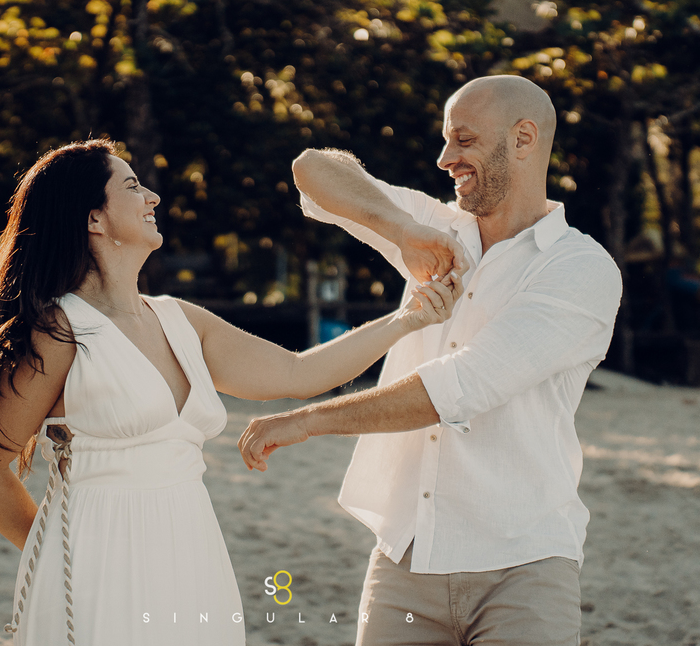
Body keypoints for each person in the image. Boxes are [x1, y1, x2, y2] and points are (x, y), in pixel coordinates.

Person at [0, 139, 462, 646]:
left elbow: (298, 373)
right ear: (94, 219)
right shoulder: (58, 331)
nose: (152, 195)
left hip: (191, 552)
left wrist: (408, 320)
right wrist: (49, 554)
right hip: (98, 563)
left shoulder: (179, 320)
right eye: (131, 186)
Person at [238, 75, 623, 646]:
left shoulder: (580, 269)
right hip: (405, 561)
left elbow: (460, 386)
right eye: (446, 140)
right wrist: (400, 229)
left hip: (524, 567)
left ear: (523, 138)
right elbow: (313, 170)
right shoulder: (434, 228)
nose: (446, 159)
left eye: (463, 140)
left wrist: (308, 419)